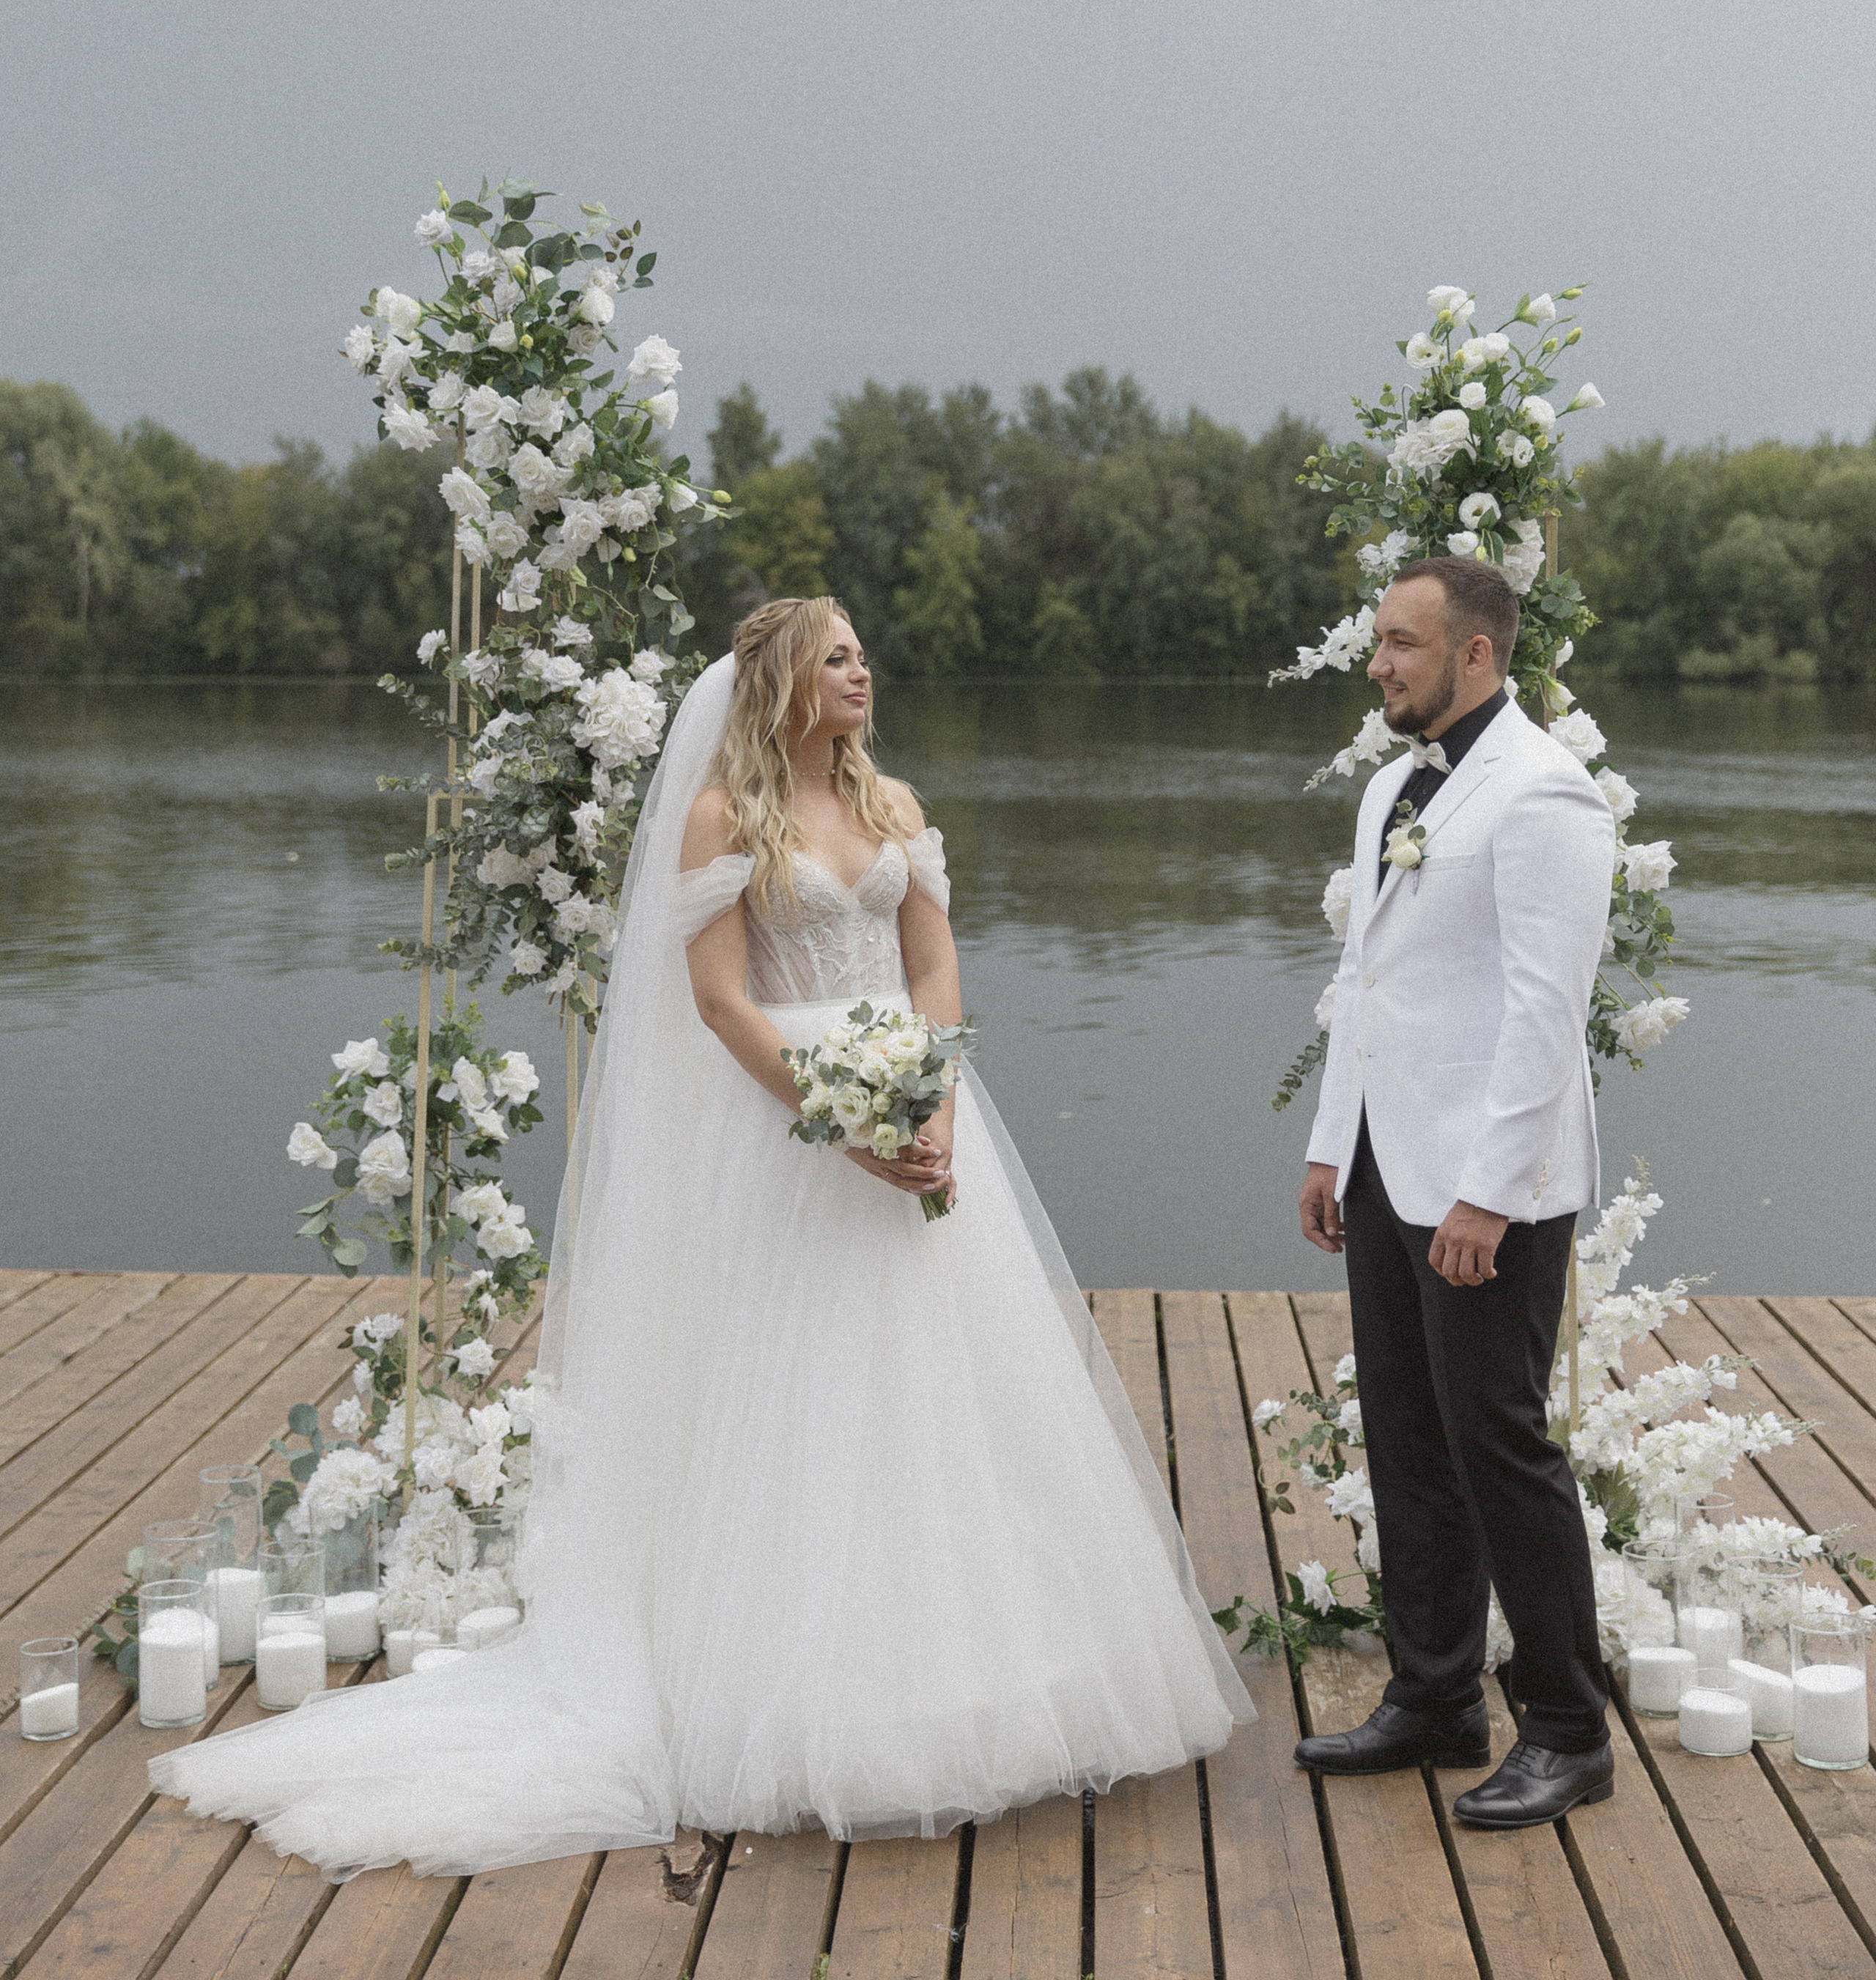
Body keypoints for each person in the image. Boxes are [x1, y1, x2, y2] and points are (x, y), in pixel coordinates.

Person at [152, 596, 1246, 1875]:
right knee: (808, 1395)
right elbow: (723, 1004)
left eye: (861, 654)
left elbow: (936, 963)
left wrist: (930, 1093)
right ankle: (801, 1689)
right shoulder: (725, 818)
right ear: (783, 679)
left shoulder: (891, 801)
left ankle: (973, 1669)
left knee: (949, 1393)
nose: (862, 672)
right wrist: (843, 1125)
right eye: (838, 656)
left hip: (923, 1112)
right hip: (793, 1130)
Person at [1295, 558, 1616, 1831]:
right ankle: (1434, 1697)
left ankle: (1568, 1727)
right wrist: (1333, 1145)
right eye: (1380, 642)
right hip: (1387, 1162)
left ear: (1475, 654)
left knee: (1501, 1448)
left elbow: (1547, 1013)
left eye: (1401, 645)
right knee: (1408, 1438)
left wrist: (1487, 1194)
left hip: (1492, 1187)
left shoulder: (1545, 794)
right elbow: (1370, 983)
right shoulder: (1392, 783)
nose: (1378, 663)